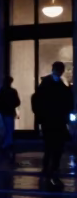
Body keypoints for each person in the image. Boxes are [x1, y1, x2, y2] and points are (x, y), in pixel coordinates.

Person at [32, 61, 73, 190]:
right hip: (50, 120)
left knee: (56, 146)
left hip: (56, 120)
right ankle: (49, 169)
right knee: (51, 145)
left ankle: (52, 168)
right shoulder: (48, 84)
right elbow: (37, 101)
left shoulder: (55, 84)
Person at [0, 76, 20, 159]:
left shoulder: (2, 91)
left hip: (4, 112)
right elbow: (17, 102)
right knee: (10, 128)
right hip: (9, 111)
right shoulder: (12, 91)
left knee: (8, 128)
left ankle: (7, 143)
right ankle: (7, 143)